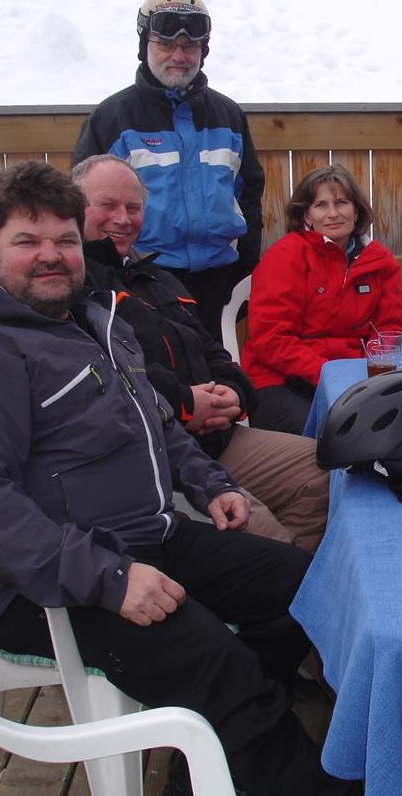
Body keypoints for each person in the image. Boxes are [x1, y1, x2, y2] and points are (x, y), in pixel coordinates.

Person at [0, 161, 357, 796]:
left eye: (65, 240)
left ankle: (210, 761)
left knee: (308, 589)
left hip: (145, 536)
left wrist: (211, 484)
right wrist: (111, 578)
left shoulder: (82, 318)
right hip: (49, 585)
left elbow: (153, 421)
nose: (51, 255)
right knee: (218, 663)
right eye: (27, 241)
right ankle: (280, 763)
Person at [74, 154, 329, 551]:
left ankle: (292, 574)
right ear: (75, 208)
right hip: (151, 457)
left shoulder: (158, 278)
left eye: (133, 207)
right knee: (262, 530)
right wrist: (185, 404)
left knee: (326, 470)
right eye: (107, 205)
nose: (122, 219)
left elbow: (213, 350)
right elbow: (106, 379)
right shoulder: (74, 286)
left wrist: (234, 394)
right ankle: (282, 570)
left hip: (218, 439)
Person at [72, 0, 264, 340]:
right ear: (144, 46)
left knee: (215, 368)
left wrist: (245, 269)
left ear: (203, 51)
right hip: (143, 281)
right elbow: (81, 208)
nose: (178, 56)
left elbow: (249, 196)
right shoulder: (112, 117)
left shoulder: (228, 115)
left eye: (190, 46)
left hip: (218, 281)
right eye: (166, 44)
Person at [242, 164, 402, 434]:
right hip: (280, 381)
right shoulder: (285, 256)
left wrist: (365, 373)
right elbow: (271, 338)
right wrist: (329, 374)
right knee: (339, 435)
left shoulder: (380, 262)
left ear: (356, 211)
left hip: (355, 379)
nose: (333, 213)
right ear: (306, 215)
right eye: (321, 205)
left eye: (342, 202)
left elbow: (390, 330)